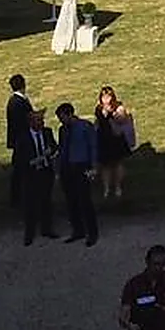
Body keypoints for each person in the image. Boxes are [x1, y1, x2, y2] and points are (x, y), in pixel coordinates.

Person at [13, 107, 59, 245]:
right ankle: (29, 233)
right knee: (30, 204)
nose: (42, 123)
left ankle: (47, 228)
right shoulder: (23, 138)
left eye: (42, 120)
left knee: (46, 201)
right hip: (30, 174)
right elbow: (17, 159)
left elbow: (54, 147)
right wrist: (32, 162)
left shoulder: (47, 132)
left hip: (45, 172)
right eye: (38, 121)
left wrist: (51, 151)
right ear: (31, 122)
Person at [56, 102, 100, 246]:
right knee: (71, 201)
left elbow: (93, 147)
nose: (61, 121)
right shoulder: (63, 130)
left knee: (85, 200)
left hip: (82, 166)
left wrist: (93, 167)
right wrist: (59, 169)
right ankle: (78, 230)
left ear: (70, 114)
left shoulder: (85, 127)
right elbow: (62, 150)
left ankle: (92, 233)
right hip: (67, 168)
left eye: (62, 118)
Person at [95, 86, 136, 200]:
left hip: (116, 138)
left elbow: (121, 119)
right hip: (104, 139)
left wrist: (113, 112)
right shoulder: (99, 108)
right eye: (104, 96)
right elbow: (100, 118)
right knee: (105, 165)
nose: (106, 99)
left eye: (108, 96)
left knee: (118, 163)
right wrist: (105, 111)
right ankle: (106, 188)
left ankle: (118, 186)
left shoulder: (119, 107)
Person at [6, 73, 31, 208]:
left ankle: (18, 197)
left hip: (18, 140)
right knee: (20, 169)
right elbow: (22, 121)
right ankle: (17, 198)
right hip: (21, 141)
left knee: (19, 169)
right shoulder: (18, 102)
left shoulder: (14, 101)